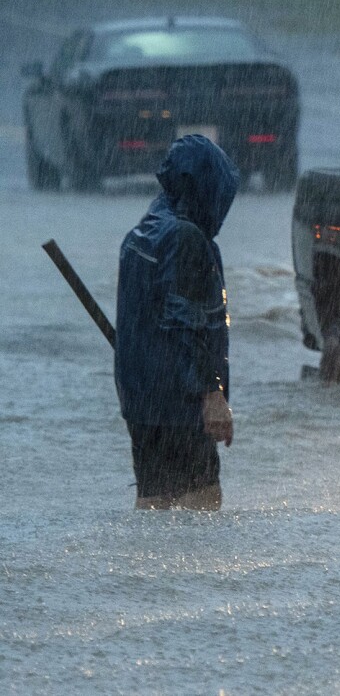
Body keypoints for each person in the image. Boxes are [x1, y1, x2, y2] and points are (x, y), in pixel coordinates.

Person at [115, 135, 239, 510]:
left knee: (153, 505)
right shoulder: (186, 239)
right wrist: (211, 394)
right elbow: (185, 325)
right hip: (180, 406)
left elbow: (147, 322)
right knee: (202, 510)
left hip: (142, 402)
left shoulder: (143, 233)